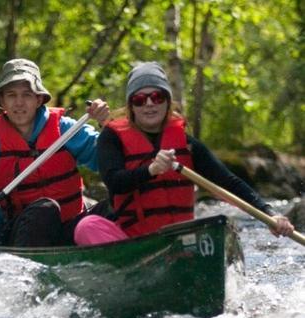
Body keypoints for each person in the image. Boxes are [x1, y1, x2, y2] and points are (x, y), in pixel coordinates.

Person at [73, 61, 295, 244]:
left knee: (220, 228)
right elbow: (114, 182)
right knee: (86, 226)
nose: (149, 105)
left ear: (168, 102)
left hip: (178, 239)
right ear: (131, 106)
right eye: (140, 100)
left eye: (157, 97)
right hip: (133, 240)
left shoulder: (187, 145)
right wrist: (151, 170)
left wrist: (269, 214)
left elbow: (228, 182)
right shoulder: (111, 138)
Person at [0, 58, 112, 259]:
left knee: (116, 201)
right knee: (45, 209)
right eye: (11, 95)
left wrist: (106, 124)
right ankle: (29, 272)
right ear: (2, 101)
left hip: (71, 227)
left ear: (38, 100)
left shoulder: (66, 130)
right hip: (18, 238)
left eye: (27, 95)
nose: (19, 102)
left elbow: (109, 161)